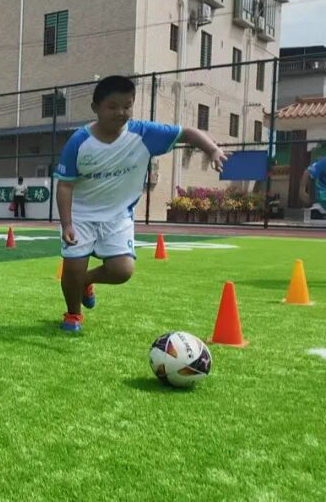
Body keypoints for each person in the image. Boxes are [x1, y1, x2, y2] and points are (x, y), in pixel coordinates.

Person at [55, 75, 226, 332]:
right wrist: (67, 223)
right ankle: (73, 314)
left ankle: (85, 282)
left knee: (122, 271)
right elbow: (65, 186)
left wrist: (212, 150)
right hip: (80, 215)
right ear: (95, 108)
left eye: (127, 106)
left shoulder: (143, 133)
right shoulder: (79, 142)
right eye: (112, 106)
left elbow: (187, 133)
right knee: (72, 267)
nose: (121, 112)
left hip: (118, 216)